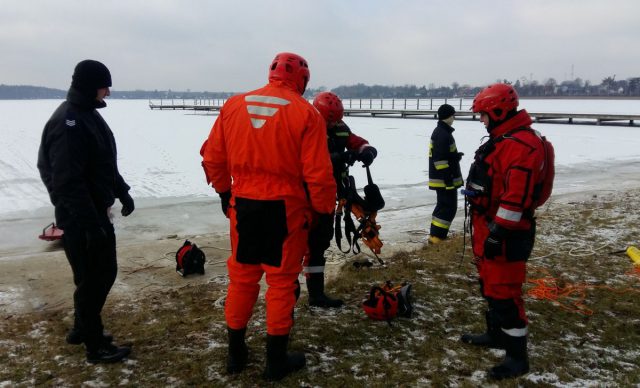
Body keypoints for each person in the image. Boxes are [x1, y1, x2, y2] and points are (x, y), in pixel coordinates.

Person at [201, 52, 336, 381]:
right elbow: (318, 175)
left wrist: (223, 192)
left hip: (243, 205)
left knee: (242, 278)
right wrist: (323, 213)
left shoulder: (234, 105)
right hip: (285, 209)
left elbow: (212, 156)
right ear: (301, 80)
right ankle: (275, 361)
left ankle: (236, 355)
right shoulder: (306, 113)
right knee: (280, 283)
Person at [37, 60, 134, 364]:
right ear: (91, 85)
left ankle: (82, 328)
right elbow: (67, 183)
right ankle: (95, 345)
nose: (108, 91)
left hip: (91, 213)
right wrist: (92, 225)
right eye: (105, 85)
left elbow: (102, 163)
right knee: (98, 276)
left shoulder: (87, 115)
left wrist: (122, 191)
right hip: (82, 217)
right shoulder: (70, 123)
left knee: (90, 276)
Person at [461, 83, 548, 379]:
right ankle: (496, 334)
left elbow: (516, 199)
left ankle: (516, 357)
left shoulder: (521, 146)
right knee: (488, 284)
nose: (481, 121)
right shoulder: (504, 139)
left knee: (504, 293)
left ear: (498, 111)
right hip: (488, 223)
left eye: (483, 115)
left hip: (507, 230)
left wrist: (499, 232)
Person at [307, 91, 378, 308]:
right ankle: (288, 294)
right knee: (302, 246)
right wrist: (339, 158)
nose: (334, 124)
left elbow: (356, 142)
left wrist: (367, 151)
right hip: (306, 196)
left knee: (319, 244)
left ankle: (316, 294)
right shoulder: (308, 128)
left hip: (330, 193)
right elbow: (308, 161)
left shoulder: (339, 128)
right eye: (331, 120)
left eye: (337, 120)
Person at [427, 104, 463, 244]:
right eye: (453, 115)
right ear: (448, 116)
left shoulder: (441, 132)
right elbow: (440, 161)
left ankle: (436, 237)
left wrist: (455, 157)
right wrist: (448, 180)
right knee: (447, 208)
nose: (454, 118)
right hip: (445, 181)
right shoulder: (442, 134)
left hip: (443, 179)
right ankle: (437, 238)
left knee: (443, 207)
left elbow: (442, 155)